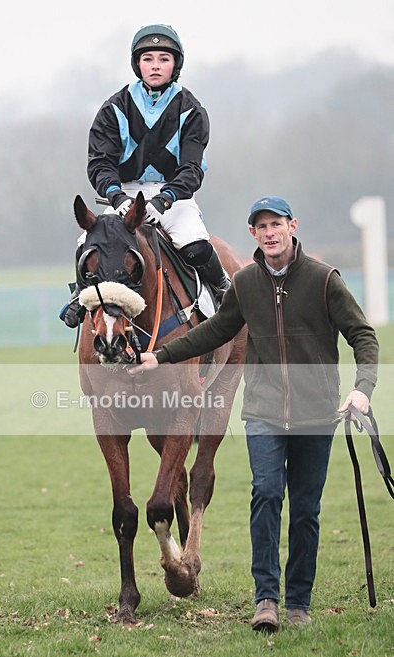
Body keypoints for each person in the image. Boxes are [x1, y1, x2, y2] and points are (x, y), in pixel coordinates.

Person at [129, 195, 379, 632]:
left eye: (275, 224)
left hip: (315, 413)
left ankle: (298, 602)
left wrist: (362, 390)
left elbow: (362, 335)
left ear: (292, 226)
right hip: (263, 413)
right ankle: (266, 599)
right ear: (253, 235)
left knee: (305, 509)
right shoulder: (244, 283)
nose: (269, 232)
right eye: (260, 226)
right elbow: (214, 330)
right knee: (265, 495)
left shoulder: (324, 281)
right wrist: (162, 357)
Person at [60, 23, 229, 327]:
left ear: (175, 64)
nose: (155, 66)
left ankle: (223, 291)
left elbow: (192, 169)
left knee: (195, 244)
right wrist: (118, 197)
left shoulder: (191, 109)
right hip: (125, 195)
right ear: (137, 64)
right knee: (85, 241)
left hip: (174, 197)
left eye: (163, 58)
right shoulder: (114, 108)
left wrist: (163, 201)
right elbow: (100, 162)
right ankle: (80, 296)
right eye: (148, 58)